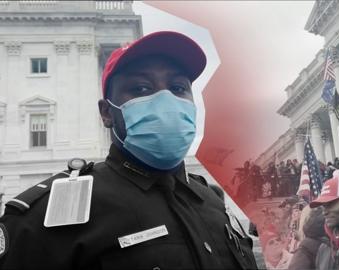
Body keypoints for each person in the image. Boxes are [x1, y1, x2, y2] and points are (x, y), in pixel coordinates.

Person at [0, 31, 257, 269]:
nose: (166, 100)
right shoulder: (49, 214)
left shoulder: (211, 200)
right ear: (107, 112)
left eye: (178, 88)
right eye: (141, 89)